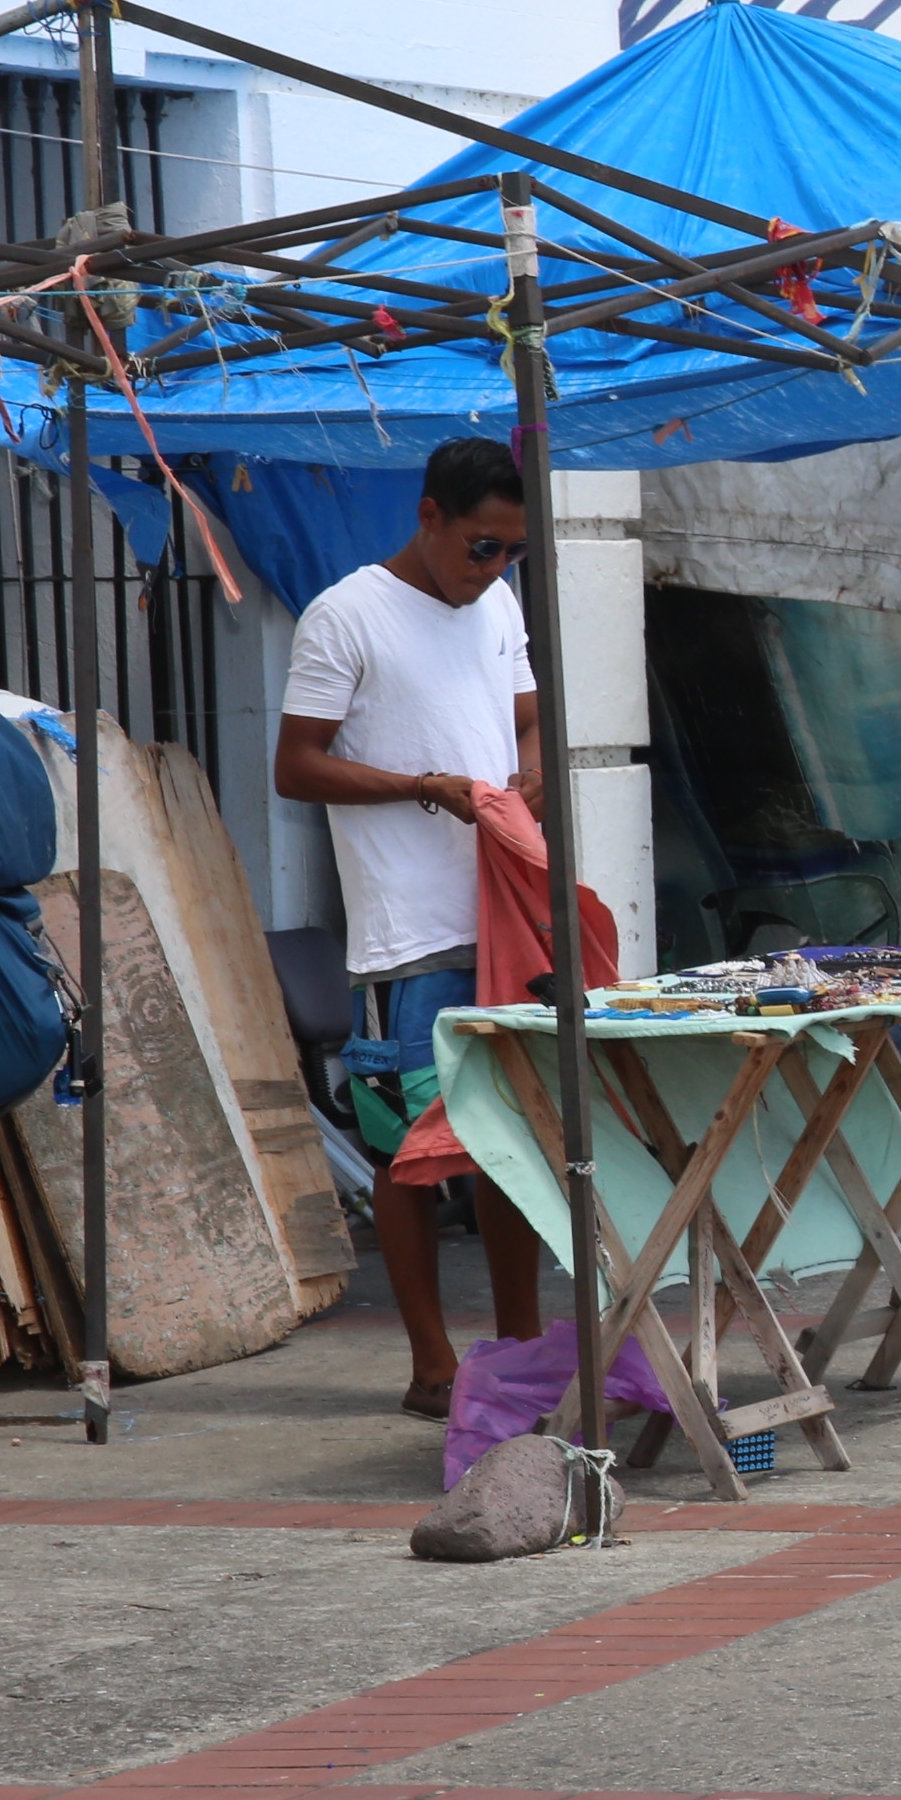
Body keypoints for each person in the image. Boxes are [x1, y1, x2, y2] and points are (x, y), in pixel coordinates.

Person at [275, 435, 548, 1420]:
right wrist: (424, 786)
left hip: (503, 921)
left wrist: (527, 775)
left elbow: (527, 716)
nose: (495, 567)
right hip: (405, 933)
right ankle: (432, 1363)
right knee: (408, 1154)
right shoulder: (346, 614)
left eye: (513, 551)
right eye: (482, 546)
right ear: (429, 515)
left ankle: (521, 1347)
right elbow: (295, 765)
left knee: (516, 1148)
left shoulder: (498, 604)